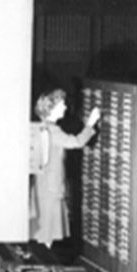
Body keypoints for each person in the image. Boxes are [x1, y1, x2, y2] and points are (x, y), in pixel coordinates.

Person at [29, 89, 101, 247]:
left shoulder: (40, 127)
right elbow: (77, 142)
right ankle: (45, 262)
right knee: (48, 232)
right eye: (62, 105)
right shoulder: (53, 131)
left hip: (41, 184)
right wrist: (90, 123)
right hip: (52, 187)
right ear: (52, 109)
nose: (65, 108)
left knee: (43, 229)